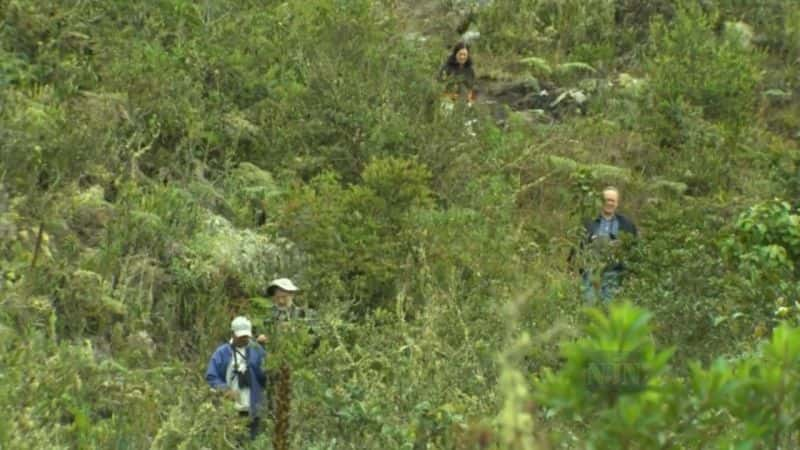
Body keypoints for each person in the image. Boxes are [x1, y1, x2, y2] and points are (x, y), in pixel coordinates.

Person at [206, 316, 268, 441]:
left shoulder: (257, 350)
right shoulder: (222, 353)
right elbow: (211, 376)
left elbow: (265, 374)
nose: (244, 339)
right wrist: (225, 390)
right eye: (241, 336)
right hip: (231, 408)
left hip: (253, 407)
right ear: (232, 334)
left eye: (246, 336)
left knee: (252, 441)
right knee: (233, 441)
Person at [577, 187, 638, 303]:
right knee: (589, 307)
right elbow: (579, 245)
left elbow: (634, 248)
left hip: (614, 274)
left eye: (612, 200)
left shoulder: (627, 224)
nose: (609, 203)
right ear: (601, 201)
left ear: (617, 203)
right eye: (607, 200)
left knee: (609, 311)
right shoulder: (589, 222)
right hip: (591, 273)